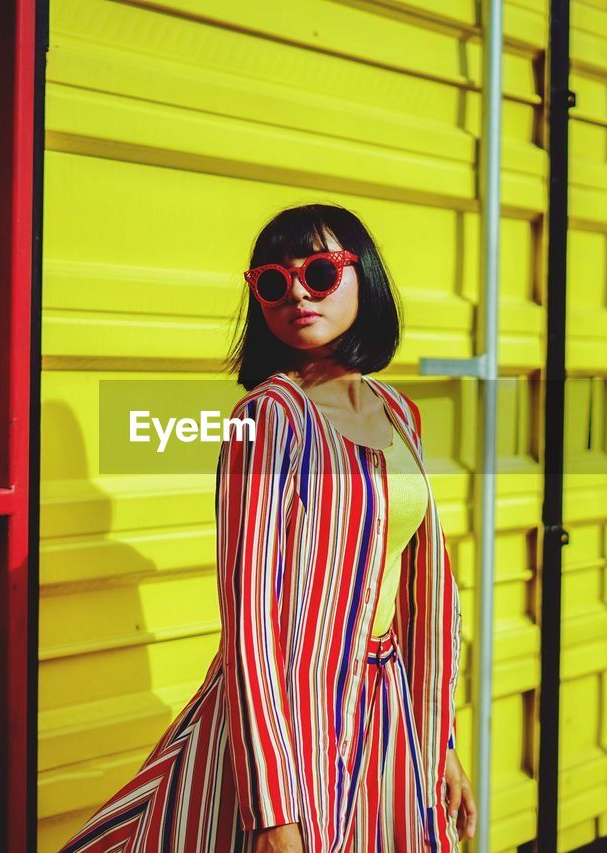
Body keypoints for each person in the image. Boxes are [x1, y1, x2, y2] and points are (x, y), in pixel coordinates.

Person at [60, 203, 476, 851]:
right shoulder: (268, 418)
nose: (298, 294)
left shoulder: (397, 412)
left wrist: (438, 741)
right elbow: (249, 622)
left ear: (363, 276)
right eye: (274, 283)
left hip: (385, 705)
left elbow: (422, 580)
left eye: (318, 271)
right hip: (291, 722)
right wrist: (273, 809)